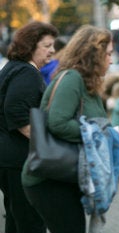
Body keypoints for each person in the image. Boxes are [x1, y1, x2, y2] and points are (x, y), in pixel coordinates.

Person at [21, 25, 119, 233]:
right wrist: (96, 134)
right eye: (108, 54)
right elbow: (58, 123)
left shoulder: (88, 85)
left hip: (63, 176)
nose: (111, 60)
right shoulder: (72, 79)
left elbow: (109, 135)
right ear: (94, 53)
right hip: (47, 179)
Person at [0, 21, 58, 233]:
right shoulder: (27, 73)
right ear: (31, 46)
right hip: (19, 160)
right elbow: (15, 111)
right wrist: (45, 145)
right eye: (47, 45)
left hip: (8, 159)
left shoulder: (13, 68)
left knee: (16, 219)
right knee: (31, 221)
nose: (52, 50)